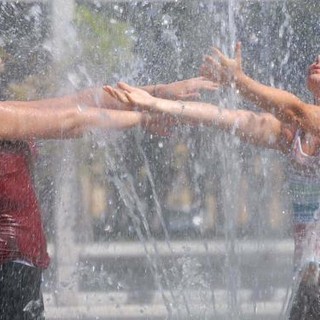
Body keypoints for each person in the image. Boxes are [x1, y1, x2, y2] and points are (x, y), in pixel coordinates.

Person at [105, 49, 320, 319]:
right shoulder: (293, 135)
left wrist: (239, 81)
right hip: (307, 286)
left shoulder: (302, 120)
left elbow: (295, 110)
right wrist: (158, 104)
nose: (317, 60)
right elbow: (224, 117)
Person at [0, 76, 218, 320]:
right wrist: (143, 117)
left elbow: (76, 103)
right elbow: (71, 121)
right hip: (7, 266)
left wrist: (157, 95)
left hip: (19, 264)